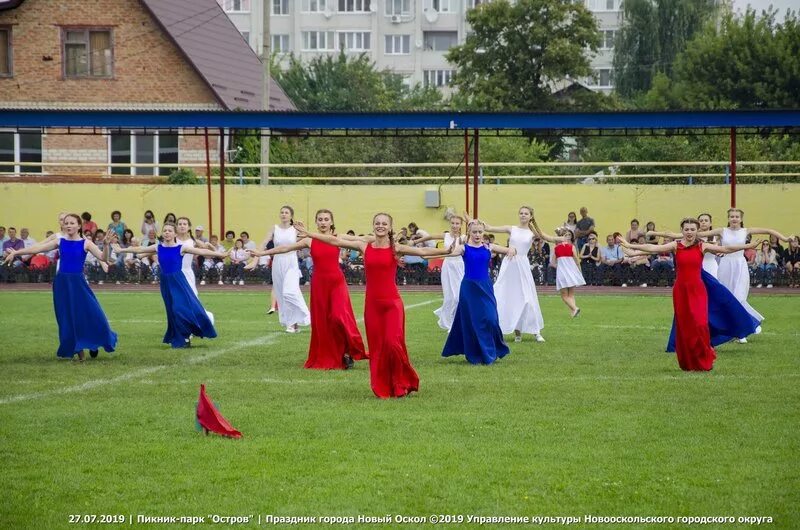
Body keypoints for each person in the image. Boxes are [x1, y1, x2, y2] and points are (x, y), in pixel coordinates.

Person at [295, 212, 453, 398]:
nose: (380, 226)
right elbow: (335, 242)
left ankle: (403, 382)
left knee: (393, 343)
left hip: (392, 304)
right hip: (372, 307)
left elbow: (423, 252)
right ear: (373, 226)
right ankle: (384, 386)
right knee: (378, 348)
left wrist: (447, 251)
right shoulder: (364, 245)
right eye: (377, 223)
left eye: (384, 223)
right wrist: (309, 234)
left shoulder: (396, 247)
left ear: (390, 227)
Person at [617, 220, 760, 371]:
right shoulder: (676, 245)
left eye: (692, 229)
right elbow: (653, 248)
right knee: (685, 327)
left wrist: (747, 246)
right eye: (687, 229)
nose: (690, 232)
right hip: (680, 291)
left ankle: (705, 357)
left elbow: (725, 248)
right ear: (682, 230)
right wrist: (630, 245)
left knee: (700, 324)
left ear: (697, 231)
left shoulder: (702, 245)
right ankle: (688, 361)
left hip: (698, 290)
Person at [252, 209, 367, 370]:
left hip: (336, 283)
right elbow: (285, 248)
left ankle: (348, 350)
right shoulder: (309, 240)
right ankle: (340, 355)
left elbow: (362, 240)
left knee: (338, 316)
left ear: (331, 222)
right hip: (319, 284)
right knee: (323, 322)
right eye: (320, 219)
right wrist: (262, 253)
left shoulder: (338, 237)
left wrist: (384, 237)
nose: (323, 222)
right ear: (316, 222)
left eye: (326, 219)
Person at [4, 214, 117, 360]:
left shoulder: (86, 243)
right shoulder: (60, 241)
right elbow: (38, 248)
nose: (68, 225)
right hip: (62, 283)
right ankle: (79, 352)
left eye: (72, 223)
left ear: (78, 226)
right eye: (66, 223)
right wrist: (16, 252)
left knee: (93, 314)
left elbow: (103, 258)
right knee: (67, 318)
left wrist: (106, 245)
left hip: (78, 283)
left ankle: (94, 342)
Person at [114, 223, 226, 348]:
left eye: (170, 231)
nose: (167, 232)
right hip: (165, 282)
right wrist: (121, 250)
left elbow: (201, 251)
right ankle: (182, 338)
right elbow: (139, 249)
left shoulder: (181, 247)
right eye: (165, 230)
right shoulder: (158, 247)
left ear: (175, 234)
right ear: (162, 233)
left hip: (178, 281)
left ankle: (196, 327)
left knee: (179, 309)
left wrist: (220, 254)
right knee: (172, 311)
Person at [698, 208, 790, 342]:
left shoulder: (746, 231)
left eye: (737, 217)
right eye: (731, 217)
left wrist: (785, 238)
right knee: (727, 298)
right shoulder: (722, 231)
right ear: (728, 218)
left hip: (740, 265)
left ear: (741, 219)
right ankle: (734, 331)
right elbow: (695, 234)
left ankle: (746, 327)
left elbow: (768, 231)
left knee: (740, 297)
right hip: (725, 266)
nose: (734, 219)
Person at [441, 219, 517, 365]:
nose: (477, 235)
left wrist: (513, 250)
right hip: (469, 289)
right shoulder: (463, 248)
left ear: (483, 233)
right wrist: (436, 253)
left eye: (480, 232)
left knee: (491, 319)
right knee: (471, 322)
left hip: (485, 288)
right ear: (469, 232)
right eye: (474, 232)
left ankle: (493, 349)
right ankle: (477, 354)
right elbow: (450, 253)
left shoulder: (489, 247)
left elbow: (510, 250)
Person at [472, 206, 545, 343]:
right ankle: (517, 333)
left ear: (530, 216)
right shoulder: (511, 228)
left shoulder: (532, 232)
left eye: (526, 214)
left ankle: (536, 332)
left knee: (528, 297)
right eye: (521, 213)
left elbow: (545, 237)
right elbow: (489, 227)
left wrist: (559, 237)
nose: (523, 215)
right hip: (510, 264)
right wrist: (477, 222)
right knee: (510, 296)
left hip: (522, 264)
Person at [259, 206, 310, 333]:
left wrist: (304, 230)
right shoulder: (274, 228)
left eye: (286, 212)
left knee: (290, 292)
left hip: (291, 261)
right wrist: (256, 255)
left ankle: (307, 314)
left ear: (291, 215)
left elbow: (307, 239)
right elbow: (264, 241)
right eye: (281, 212)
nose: (283, 214)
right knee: (282, 295)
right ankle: (292, 324)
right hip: (277, 262)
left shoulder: (295, 229)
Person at [412, 215, 466, 331]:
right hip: (447, 266)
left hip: (460, 267)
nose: (455, 226)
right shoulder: (446, 236)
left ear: (461, 225)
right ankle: (449, 323)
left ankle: (455, 320)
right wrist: (417, 241)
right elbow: (430, 236)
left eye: (457, 223)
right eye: (453, 223)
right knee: (449, 296)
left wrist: (468, 219)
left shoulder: (464, 237)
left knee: (458, 297)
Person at [532, 221, 585, 317]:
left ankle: (574, 308)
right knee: (571, 294)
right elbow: (577, 260)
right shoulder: (571, 246)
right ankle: (573, 312)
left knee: (564, 295)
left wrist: (559, 266)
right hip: (572, 271)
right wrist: (579, 270)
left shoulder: (556, 248)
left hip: (562, 273)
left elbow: (552, 263)